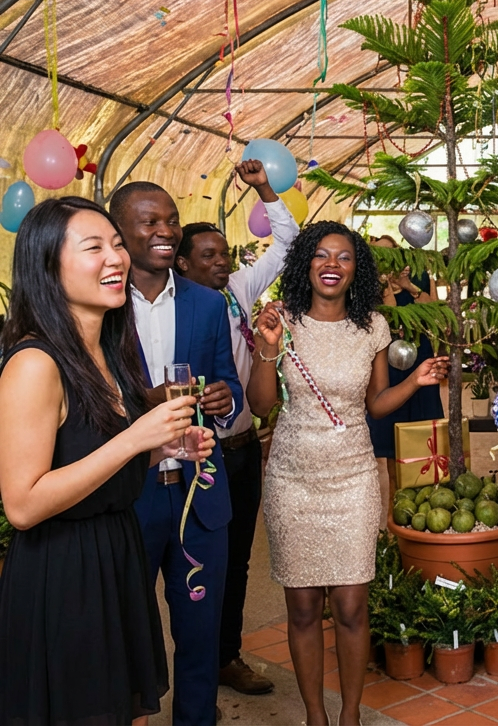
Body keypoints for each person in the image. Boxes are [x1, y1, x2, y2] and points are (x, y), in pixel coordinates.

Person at [0, 196, 212, 725]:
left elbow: (86, 458)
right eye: (94, 247)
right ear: (48, 266)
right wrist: (133, 440)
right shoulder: (34, 362)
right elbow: (23, 505)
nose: (115, 258)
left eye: (116, 244)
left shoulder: (105, 351)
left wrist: (157, 449)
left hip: (115, 556)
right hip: (64, 574)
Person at [246, 221, 448, 726]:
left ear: (358, 268)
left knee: (354, 607)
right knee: (303, 609)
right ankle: (316, 715)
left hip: (353, 476)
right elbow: (261, 405)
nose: (331, 265)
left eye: (343, 257)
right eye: (321, 255)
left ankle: (351, 714)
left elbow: (377, 405)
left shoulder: (372, 327)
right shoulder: (281, 321)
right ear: (305, 264)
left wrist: (417, 380)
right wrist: (267, 348)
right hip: (293, 478)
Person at [110, 181, 243, 726]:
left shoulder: (208, 305)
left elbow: (231, 389)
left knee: (199, 631)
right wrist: (141, 407)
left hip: (198, 495)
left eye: (171, 219)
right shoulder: (103, 303)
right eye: (149, 221)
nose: (165, 230)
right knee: (122, 631)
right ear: (119, 233)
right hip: (128, 498)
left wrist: (222, 399)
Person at [174, 158, 300, 696]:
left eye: (224, 254)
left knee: (238, 558)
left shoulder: (238, 291)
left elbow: (287, 242)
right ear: (181, 264)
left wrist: (266, 190)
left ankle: (226, 657)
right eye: (209, 256)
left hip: (244, 447)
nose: (223, 263)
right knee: (193, 564)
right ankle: (192, 672)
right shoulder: (170, 309)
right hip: (194, 453)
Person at [366, 235, 443, 530]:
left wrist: (408, 286)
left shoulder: (420, 276)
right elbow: (386, 319)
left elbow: (437, 315)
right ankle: (394, 516)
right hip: (388, 371)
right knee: (389, 449)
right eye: (379, 256)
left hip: (420, 367)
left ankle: (425, 512)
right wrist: (386, 285)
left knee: (423, 444)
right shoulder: (369, 285)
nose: (385, 261)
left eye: (390, 254)